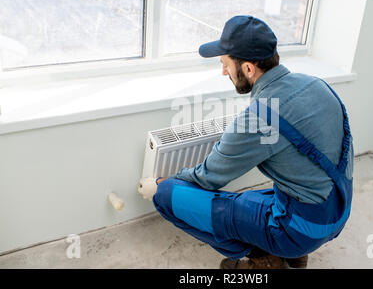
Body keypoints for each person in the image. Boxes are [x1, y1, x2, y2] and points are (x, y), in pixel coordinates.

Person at [141, 15, 354, 269]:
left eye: (225, 64)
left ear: (249, 69)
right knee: (251, 198)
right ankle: (294, 254)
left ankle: (267, 260)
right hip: (338, 211)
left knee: (169, 197)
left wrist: (161, 183)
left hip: (303, 228)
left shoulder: (260, 117)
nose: (223, 72)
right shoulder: (317, 85)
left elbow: (208, 177)